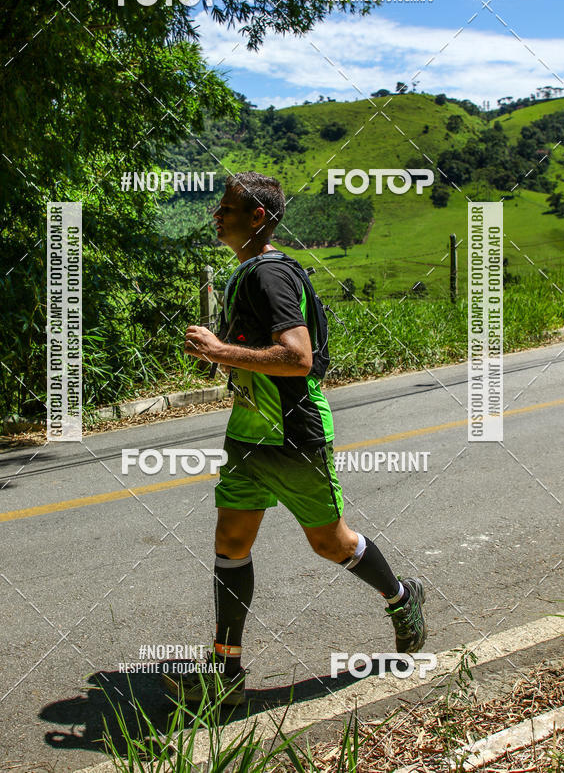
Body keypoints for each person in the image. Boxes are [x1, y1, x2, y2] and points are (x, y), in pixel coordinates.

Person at [164, 171, 426, 706]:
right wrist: (223, 355)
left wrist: (218, 352)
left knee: (331, 543)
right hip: (247, 437)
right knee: (230, 545)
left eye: (228, 209)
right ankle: (226, 673)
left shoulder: (270, 275)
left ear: (258, 218)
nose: (217, 215)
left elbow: (299, 359)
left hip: (294, 438)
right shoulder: (247, 273)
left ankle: (401, 597)